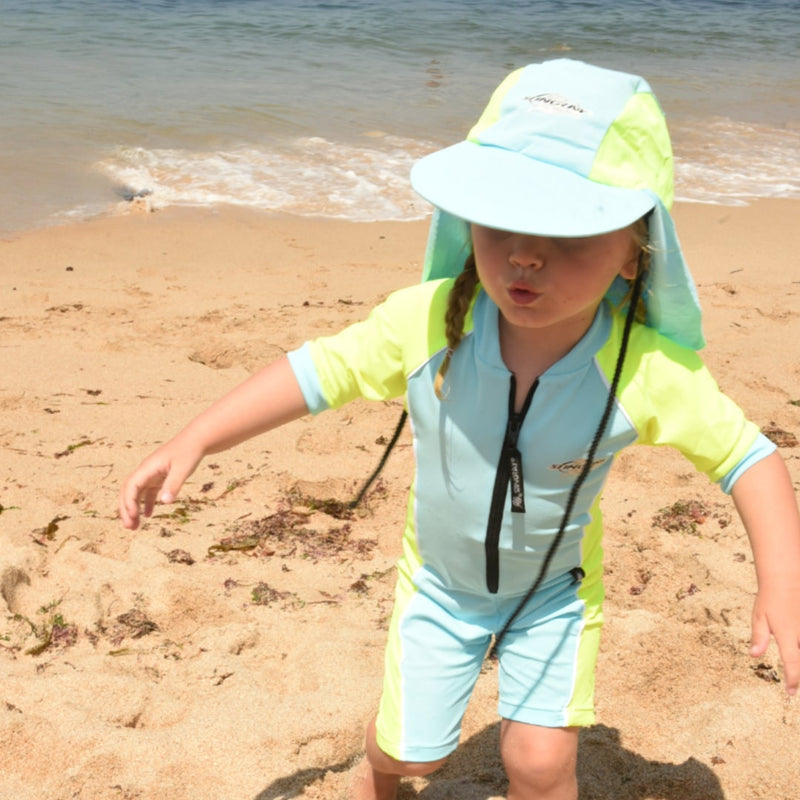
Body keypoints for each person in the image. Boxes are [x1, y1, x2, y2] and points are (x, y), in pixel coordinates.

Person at [119, 60, 800, 800]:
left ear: (635, 253)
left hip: (556, 592)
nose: (525, 255)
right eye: (502, 221)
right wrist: (195, 438)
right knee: (409, 757)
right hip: (439, 587)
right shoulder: (426, 322)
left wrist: (783, 580)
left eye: (565, 233)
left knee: (540, 765)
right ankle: (376, 776)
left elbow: (749, 458)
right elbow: (317, 374)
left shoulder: (643, 367)